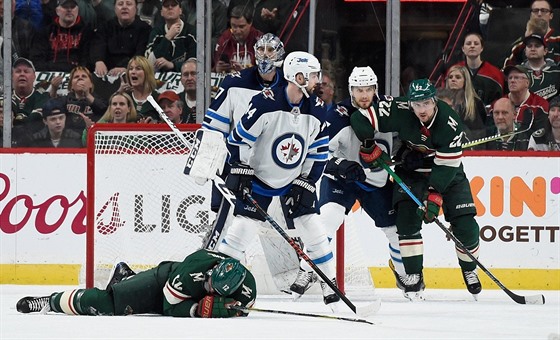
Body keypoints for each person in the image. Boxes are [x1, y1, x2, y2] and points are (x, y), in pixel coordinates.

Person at [217, 51, 340, 307]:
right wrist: (239, 169)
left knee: (313, 228)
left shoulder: (317, 109)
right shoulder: (265, 103)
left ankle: (331, 288)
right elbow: (239, 139)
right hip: (260, 178)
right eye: (314, 75)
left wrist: (308, 180)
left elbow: (319, 151)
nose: (319, 80)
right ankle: (216, 282)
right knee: (243, 228)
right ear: (299, 76)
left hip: (293, 180)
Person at [350, 79, 482, 300]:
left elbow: (447, 166)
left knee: (466, 224)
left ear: (435, 101)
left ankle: (469, 269)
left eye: (426, 103)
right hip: (411, 169)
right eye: (417, 104)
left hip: (446, 172)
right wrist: (368, 144)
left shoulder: (449, 123)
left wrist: (434, 195)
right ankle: (412, 275)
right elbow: (359, 117)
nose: (422, 109)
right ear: (410, 104)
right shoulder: (399, 109)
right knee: (406, 221)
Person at [288, 66, 408, 297]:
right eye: (358, 90)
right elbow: (318, 152)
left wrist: (408, 153)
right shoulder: (337, 115)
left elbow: (405, 137)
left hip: (375, 180)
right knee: (328, 220)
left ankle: (405, 275)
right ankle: (307, 270)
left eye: (368, 89)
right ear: (351, 90)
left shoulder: (389, 111)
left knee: (395, 230)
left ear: (376, 89)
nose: (364, 95)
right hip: (341, 179)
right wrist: (340, 165)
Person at [16, 248, 256, 318]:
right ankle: (51, 301)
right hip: (163, 283)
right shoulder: (194, 267)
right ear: (213, 270)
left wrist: (229, 311)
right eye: (210, 282)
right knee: (107, 303)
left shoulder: (248, 291)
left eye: (216, 290)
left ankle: (126, 277)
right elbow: (168, 305)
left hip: (177, 293)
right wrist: (195, 310)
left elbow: (239, 312)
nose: (209, 287)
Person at [203, 33, 287, 213]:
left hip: (274, 169)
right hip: (237, 168)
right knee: (227, 225)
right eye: (261, 49)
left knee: (271, 230)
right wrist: (207, 162)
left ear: (280, 54)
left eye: (270, 50)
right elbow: (214, 128)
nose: (265, 55)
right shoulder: (235, 82)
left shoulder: (288, 88)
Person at [29, 0, 94, 72]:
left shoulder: (86, 32)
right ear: (57, 11)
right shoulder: (45, 32)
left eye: (72, 7)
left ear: (77, 10)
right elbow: (36, 61)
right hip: (49, 74)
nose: (69, 10)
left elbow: (87, 62)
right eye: (65, 7)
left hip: (76, 75)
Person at [91, 0, 151, 77]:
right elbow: (98, 45)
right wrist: (99, 61)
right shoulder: (105, 27)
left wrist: (127, 68)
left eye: (129, 4)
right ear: (115, 9)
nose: (124, 7)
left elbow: (141, 53)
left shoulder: (145, 29)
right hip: (107, 71)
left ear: (136, 9)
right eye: (120, 4)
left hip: (132, 72)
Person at [450, 32, 504, 107]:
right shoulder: (454, 71)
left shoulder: (495, 74)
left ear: (482, 48)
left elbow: (499, 100)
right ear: (463, 48)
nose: (472, 46)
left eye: (476, 43)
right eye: (468, 43)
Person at [52, 66, 108, 135]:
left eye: (84, 76)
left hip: (92, 137)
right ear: (71, 86)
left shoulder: (99, 99)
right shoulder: (65, 100)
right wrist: (54, 89)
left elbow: (104, 110)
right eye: (76, 77)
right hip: (69, 139)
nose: (80, 78)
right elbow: (52, 108)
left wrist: (87, 94)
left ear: (91, 84)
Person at [503, 0, 560, 67]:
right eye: (535, 11)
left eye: (544, 11)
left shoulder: (558, 39)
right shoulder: (520, 44)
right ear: (530, 15)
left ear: (551, 15)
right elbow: (504, 69)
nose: (539, 14)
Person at [144, 0, 196, 73]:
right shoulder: (156, 32)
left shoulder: (191, 32)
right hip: (159, 78)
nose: (170, 7)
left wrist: (172, 65)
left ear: (180, 10)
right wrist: (167, 38)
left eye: (174, 5)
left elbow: (196, 64)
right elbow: (148, 63)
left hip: (184, 77)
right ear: (161, 12)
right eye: (166, 6)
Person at [444, 65, 488, 145]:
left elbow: (480, 132)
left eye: (458, 77)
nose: (453, 79)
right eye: (450, 77)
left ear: (465, 81)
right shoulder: (442, 103)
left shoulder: (476, 103)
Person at [213, 5, 263, 73]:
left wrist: (244, 72)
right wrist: (217, 69)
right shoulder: (224, 39)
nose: (238, 31)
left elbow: (265, 73)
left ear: (250, 23)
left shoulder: (260, 40)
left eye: (241, 27)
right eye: (234, 26)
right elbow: (213, 70)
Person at [503, 65, 549, 134]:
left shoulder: (540, 105)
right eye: (510, 78)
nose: (512, 81)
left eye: (516, 78)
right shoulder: (499, 104)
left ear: (527, 83)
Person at [11, 58, 50, 133]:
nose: (22, 74)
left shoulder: (43, 97)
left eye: (26, 71)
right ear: (12, 76)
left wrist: (13, 122)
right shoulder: (4, 97)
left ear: (34, 77)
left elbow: (35, 123)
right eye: (18, 71)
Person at [118, 56, 159, 121]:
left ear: (147, 73)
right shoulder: (124, 97)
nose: (133, 72)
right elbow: (107, 120)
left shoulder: (158, 98)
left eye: (138, 69)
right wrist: (118, 94)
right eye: (131, 69)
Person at [520, 34, 560, 102]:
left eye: (537, 46)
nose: (533, 49)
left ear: (545, 51)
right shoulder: (517, 72)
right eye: (529, 46)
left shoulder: (557, 72)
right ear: (525, 52)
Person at [179, 58, 197, 123]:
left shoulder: (212, 101)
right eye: (186, 74)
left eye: (193, 73)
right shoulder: (176, 101)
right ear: (181, 79)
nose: (189, 78)